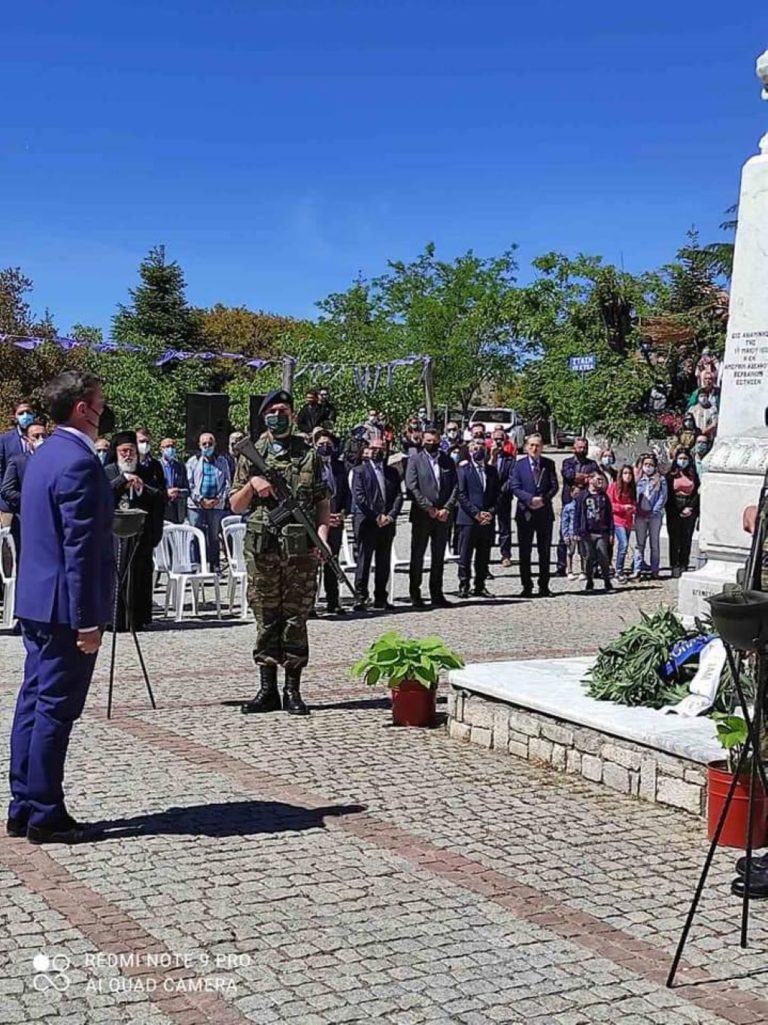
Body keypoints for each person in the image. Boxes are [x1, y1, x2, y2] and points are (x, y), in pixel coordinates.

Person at [8, 371, 113, 844]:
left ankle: (23, 803)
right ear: (81, 408)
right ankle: (45, 812)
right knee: (54, 708)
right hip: (62, 609)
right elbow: (80, 547)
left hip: (36, 600)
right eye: (99, 402)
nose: (103, 411)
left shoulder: (44, 454)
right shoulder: (78, 461)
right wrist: (87, 620)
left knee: (32, 702)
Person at [230, 390, 330, 716]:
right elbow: (235, 504)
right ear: (264, 417)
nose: (278, 414)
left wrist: (323, 537)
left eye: (283, 409)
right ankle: (267, 690)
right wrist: (253, 484)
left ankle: (293, 691)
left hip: (300, 553)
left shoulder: (309, 454)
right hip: (263, 553)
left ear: (292, 413)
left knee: (296, 619)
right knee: (266, 618)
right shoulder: (250, 453)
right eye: (272, 410)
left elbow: (321, 501)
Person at [104, 431, 164, 631]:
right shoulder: (108, 471)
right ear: (117, 452)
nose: (128, 455)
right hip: (114, 535)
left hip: (139, 534)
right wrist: (122, 480)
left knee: (139, 575)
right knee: (114, 575)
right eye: (124, 451)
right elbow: (102, 494)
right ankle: (114, 619)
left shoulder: (145, 472)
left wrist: (140, 487)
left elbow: (158, 496)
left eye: (131, 451)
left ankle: (136, 619)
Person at [405, 427, 458, 607]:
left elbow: (455, 487)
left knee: (438, 556)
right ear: (422, 441)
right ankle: (415, 594)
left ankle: (437, 593)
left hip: (443, 516)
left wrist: (446, 508)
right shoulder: (414, 460)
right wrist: (428, 507)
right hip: (422, 515)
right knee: (417, 556)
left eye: (434, 441)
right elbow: (411, 486)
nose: (431, 444)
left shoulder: (447, 461)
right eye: (428, 441)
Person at [352, 436, 403, 610]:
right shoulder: (360, 471)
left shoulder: (392, 472)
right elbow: (360, 498)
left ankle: (381, 597)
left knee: (383, 561)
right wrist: (376, 517)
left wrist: (390, 516)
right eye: (374, 448)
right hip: (367, 522)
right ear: (368, 450)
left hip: (387, 523)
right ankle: (360, 597)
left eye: (381, 448)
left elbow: (398, 496)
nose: (377, 451)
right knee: (364, 561)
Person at [509, 433, 559, 598]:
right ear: (526, 447)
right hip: (525, 513)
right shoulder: (519, 465)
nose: (534, 448)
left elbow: (554, 486)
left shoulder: (548, 464)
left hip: (544, 512)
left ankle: (544, 586)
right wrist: (530, 499)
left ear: (542, 447)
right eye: (531, 445)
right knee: (525, 551)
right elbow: (515, 487)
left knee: (544, 551)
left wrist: (543, 500)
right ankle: (527, 586)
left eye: (537, 445)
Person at [314, 427, 350, 615]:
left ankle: (333, 601)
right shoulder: (311, 466)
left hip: (336, 520)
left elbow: (346, 493)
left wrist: (342, 513)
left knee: (332, 561)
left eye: (328, 444)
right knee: (312, 564)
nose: (325, 447)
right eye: (321, 444)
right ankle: (310, 604)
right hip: (315, 522)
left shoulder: (339, 466)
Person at [456, 439, 499, 598]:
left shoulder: (491, 471)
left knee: (483, 555)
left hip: (487, 519)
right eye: (474, 448)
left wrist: (490, 512)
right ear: (469, 451)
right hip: (468, 519)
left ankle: (480, 585)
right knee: (465, 555)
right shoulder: (463, 470)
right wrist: (476, 513)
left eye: (480, 447)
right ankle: (464, 585)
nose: (477, 450)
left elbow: (496, 494)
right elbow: (461, 494)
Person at [186, 433, 231, 573]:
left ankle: (215, 567)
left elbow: (228, 482)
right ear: (199, 445)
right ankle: (196, 567)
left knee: (214, 537)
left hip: (216, 504)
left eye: (210, 443)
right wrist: (200, 500)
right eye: (204, 444)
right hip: (196, 505)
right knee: (195, 535)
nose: (207, 446)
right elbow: (189, 484)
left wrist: (218, 498)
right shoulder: (193, 461)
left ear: (214, 444)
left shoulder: (222, 461)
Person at [0, 420, 46, 557]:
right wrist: (30, 499)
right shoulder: (18, 462)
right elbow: (7, 490)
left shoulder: (56, 461)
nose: (41, 440)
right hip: (25, 519)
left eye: (44, 436)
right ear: (27, 440)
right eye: (36, 436)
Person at [557, 439, 598, 575]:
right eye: (579, 447)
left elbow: (594, 478)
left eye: (584, 447)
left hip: (586, 502)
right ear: (574, 448)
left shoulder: (592, 464)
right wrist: (583, 477)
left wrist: (582, 478)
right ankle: (562, 566)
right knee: (565, 533)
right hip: (569, 501)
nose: (582, 450)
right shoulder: (567, 462)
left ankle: (589, 566)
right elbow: (568, 475)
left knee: (587, 534)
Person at [574, 470, 614, 593]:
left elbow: (609, 515)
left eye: (602, 480)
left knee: (603, 556)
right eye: (598, 479)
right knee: (589, 557)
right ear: (590, 480)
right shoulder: (582, 496)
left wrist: (611, 532)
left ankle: (607, 580)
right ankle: (589, 580)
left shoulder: (604, 496)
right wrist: (576, 531)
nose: (600, 482)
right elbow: (578, 514)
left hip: (601, 532)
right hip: (587, 532)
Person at [0, 400, 37, 524]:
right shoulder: (5, 441)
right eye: (21, 413)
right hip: (10, 507)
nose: (25, 416)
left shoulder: (40, 436)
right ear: (15, 417)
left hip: (36, 503)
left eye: (28, 412)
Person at [631, 453, 667, 580]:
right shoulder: (638, 479)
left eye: (651, 465)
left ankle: (655, 569)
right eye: (646, 464)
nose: (648, 467)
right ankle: (637, 569)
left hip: (654, 516)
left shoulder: (660, 480)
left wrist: (654, 511)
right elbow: (634, 496)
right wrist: (638, 510)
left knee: (654, 543)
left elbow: (663, 497)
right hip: (640, 515)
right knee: (639, 544)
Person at [666, 448, 700, 578]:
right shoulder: (671, 475)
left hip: (689, 506)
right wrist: (676, 509)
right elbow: (668, 494)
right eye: (680, 458)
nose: (683, 461)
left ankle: (684, 564)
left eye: (685, 459)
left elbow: (697, 492)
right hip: (674, 508)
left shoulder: (693, 474)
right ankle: (674, 565)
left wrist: (690, 507)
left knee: (686, 538)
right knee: (674, 539)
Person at [607, 464, 637, 583]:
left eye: (630, 474)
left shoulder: (631, 489)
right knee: (623, 544)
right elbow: (609, 504)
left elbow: (635, 504)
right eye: (625, 473)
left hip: (628, 521)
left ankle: (621, 569)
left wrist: (632, 508)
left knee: (623, 546)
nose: (628, 476)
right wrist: (623, 508)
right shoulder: (614, 487)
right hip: (617, 519)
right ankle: (618, 571)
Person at [159, 437, 189, 523]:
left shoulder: (180, 467)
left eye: (172, 446)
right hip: (161, 508)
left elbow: (187, 489)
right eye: (167, 446)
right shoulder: (156, 466)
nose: (170, 449)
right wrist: (166, 492)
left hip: (177, 510)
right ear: (161, 449)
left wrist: (179, 491)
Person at [559, 480, 583, 581]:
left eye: (579, 494)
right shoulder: (568, 507)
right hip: (571, 532)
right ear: (572, 494)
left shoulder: (583, 506)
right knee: (570, 552)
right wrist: (565, 535)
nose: (577, 496)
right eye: (576, 493)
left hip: (581, 533)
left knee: (582, 552)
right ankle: (570, 570)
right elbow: (564, 522)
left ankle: (583, 570)